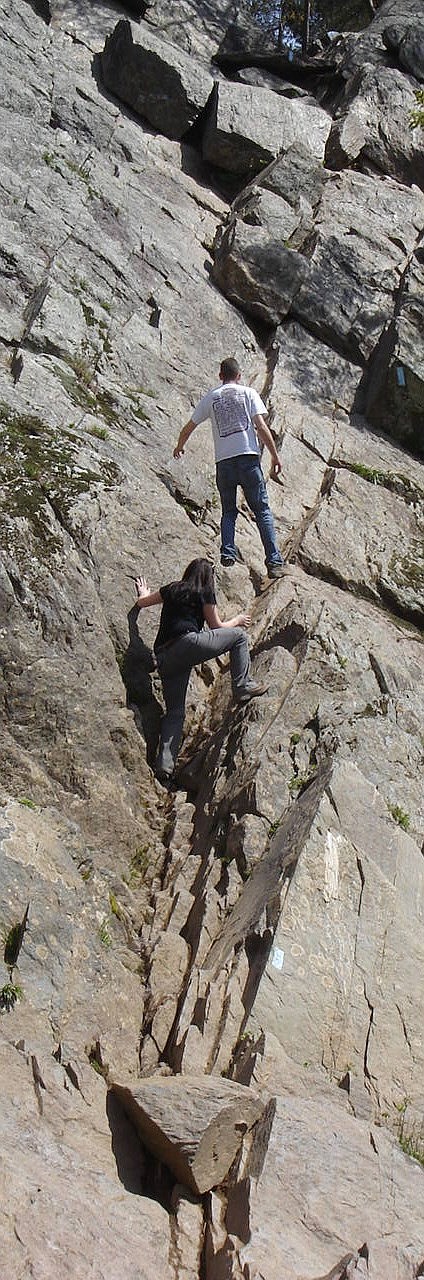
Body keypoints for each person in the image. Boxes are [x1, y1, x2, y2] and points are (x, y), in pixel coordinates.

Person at [135, 558, 266, 785]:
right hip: (187, 644)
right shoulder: (205, 591)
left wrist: (143, 592)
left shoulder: (173, 588)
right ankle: (243, 686)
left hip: (164, 657)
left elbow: (142, 603)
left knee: (175, 712)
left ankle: (164, 767)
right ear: (208, 577)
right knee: (240, 638)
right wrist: (236, 620)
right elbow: (217, 627)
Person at [173, 357, 286, 578]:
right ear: (239, 375)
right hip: (248, 459)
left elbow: (189, 427)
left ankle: (228, 552)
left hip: (224, 463)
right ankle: (274, 562)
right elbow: (261, 427)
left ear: (220, 376)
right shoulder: (248, 393)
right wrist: (274, 456)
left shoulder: (211, 398)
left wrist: (179, 446)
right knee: (262, 510)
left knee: (228, 511)